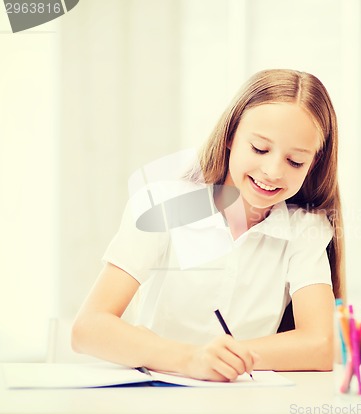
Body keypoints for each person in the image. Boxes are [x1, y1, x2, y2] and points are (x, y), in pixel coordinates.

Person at [71, 69, 345, 382]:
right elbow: (88, 328)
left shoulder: (304, 228)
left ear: (315, 163)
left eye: (295, 161)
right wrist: (191, 359)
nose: (272, 171)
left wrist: (225, 359)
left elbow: (321, 346)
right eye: (259, 148)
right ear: (230, 136)